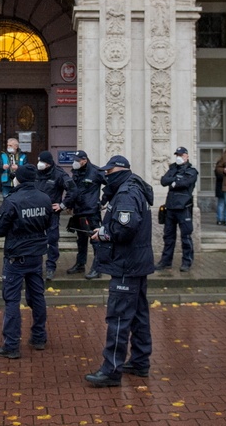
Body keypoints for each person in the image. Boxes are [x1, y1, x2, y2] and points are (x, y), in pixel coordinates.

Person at [84, 155, 154, 388]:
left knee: (119, 318)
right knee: (139, 315)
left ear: (119, 171)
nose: (105, 176)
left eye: (108, 172)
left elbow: (125, 229)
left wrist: (103, 233)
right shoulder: (134, 188)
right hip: (136, 262)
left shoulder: (125, 194)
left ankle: (111, 370)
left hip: (127, 263)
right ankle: (140, 361)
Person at [0, 163, 52, 359]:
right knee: (37, 296)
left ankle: (11, 345)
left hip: (16, 258)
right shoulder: (45, 199)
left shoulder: (12, 200)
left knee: (12, 300)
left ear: (18, 178)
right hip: (36, 256)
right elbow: (49, 223)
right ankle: (39, 337)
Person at [34, 151, 77, 281]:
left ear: (48, 163)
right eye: (39, 161)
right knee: (35, 241)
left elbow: (73, 190)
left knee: (52, 241)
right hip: (35, 213)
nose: (39, 164)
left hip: (51, 213)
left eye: (42, 162)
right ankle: (35, 268)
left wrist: (63, 205)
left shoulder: (59, 174)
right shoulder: (34, 172)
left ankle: (50, 268)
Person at [65, 150, 107, 279]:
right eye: (75, 160)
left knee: (95, 239)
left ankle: (97, 268)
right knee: (81, 240)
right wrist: (70, 205)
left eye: (78, 160)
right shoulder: (76, 171)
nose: (75, 162)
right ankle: (80, 264)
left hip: (91, 212)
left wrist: (102, 202)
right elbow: (73, 190)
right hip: (78, 211)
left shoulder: (96, 171)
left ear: (85, 160)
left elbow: (111, 186)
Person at [156, 147, 198, 272]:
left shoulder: (191, 170)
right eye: (177, 155)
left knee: (186, 237)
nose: (179, 157)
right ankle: (166, 261)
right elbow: (164, 181)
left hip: (184, 207)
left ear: (187, 156)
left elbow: (186, 183)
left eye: (181, 155)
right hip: (170, 206)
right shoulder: (173, 167)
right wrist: (175, 180)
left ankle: (187, 262)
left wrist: (174, 181)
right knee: (168, 236)